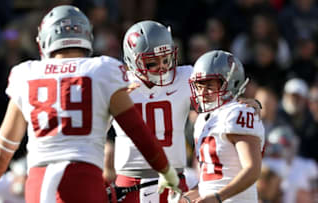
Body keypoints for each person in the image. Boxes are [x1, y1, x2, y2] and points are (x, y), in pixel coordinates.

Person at [0, 5, 180, 203]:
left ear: (44, 40)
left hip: (38, 181)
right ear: (87, 36)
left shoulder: (26, 74)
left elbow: (3, 148)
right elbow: (137, 131)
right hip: (82, 180)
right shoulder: (102, 70)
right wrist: (166, 171)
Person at [105, 21, 262, 203]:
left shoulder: (186, 76)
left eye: (165, 59)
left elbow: (219, 87)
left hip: (174, 180)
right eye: (152, 63)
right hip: (131, 180)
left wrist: (244, 101)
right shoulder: (118, 81)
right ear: (133, 59)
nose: (162, 67)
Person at [180, 50, 265, 203]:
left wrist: (219, 197)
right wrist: (184, 198)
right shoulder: (202, 120)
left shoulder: (239, 112)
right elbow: (210, 182)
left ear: (231, 83)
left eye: (210, 85)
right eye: (199, 86)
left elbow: (252, 170)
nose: (202, 92)